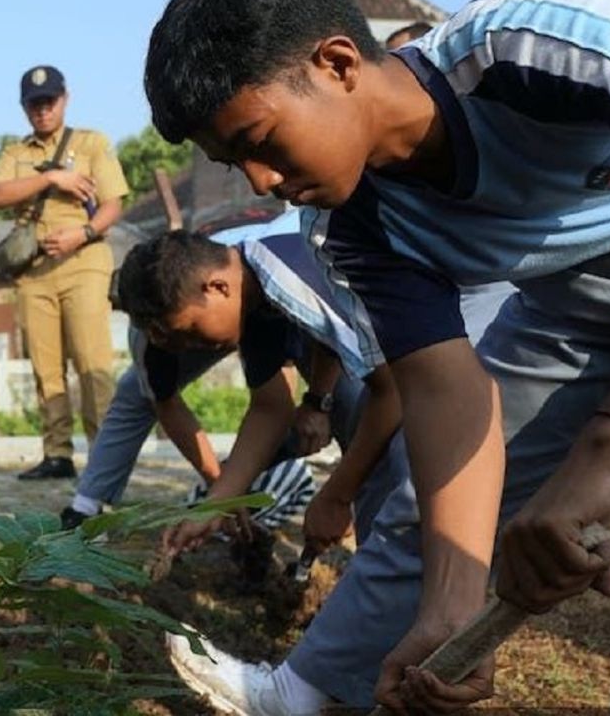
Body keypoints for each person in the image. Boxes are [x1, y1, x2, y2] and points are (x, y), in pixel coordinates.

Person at [144, 0, 610, 710]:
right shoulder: (356, 228)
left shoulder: (530, 41)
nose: (262, 179)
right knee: (426, 518)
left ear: (335, 64)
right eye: (237, 166)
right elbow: (444, 395)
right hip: (578, 313)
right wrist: (449, 608)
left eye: (259, 142)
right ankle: (315, 688)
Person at [114, 222, 405, 564]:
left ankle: (395, 577)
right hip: (407, 370)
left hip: (447, 349)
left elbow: (396, 387)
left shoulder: (286, 271)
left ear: (217, 287)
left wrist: (336, 498)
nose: (194, 347)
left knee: (389, 449)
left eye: (191, 331)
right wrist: (215, 505)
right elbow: (269, 409)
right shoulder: (255, 300)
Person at [0, 66, 127, 480]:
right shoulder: (16, 153)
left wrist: (82, 233)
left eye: (49, 101)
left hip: (83, 262)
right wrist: (50, 177)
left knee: (91, 362)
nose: (42, 110)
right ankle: (56, 453)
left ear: (64, 99)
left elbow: (113, 204)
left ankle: (103, 456)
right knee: (46, 369)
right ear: (24, 107)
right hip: (34, 272)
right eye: (34, 103)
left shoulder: (91, 143)